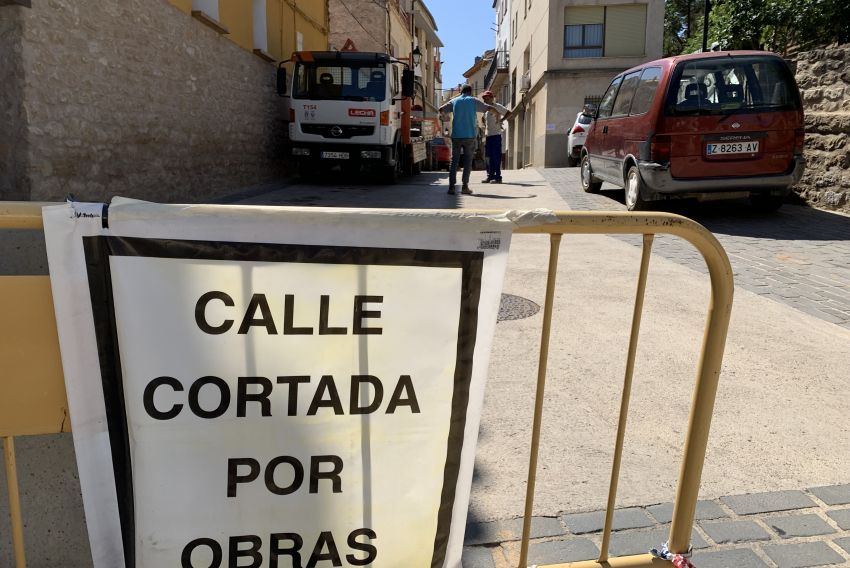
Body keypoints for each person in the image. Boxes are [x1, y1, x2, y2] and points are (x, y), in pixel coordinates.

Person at [439, 85, 496, 195]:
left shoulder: (454, 101)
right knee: (467, 162)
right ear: (470, 92)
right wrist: (496, 112)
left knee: (454, 161)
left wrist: (443, 117)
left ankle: (451, 187)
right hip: (469, 135)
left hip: (456, 135)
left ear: (461, 92)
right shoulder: (473, 100)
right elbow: (487, 107)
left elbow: (441, 109)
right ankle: (465, 187)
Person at [480, 91, 509, 183]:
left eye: (487, 99)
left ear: (492, 98)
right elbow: (485, 121)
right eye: (484, 99)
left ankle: (498, 177)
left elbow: (509, 113)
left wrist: (501, 120)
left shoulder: (497, 106)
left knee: (496, 157)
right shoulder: (486, 110)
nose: (485, 100)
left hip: (496, 136)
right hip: (488, 137)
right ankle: (490, 176)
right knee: (488, 158)